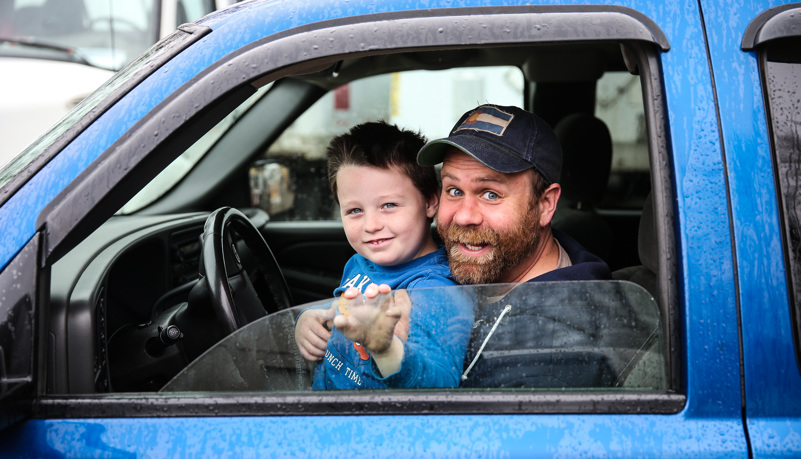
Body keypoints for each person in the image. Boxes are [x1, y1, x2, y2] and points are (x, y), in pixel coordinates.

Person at [414, 103, 614, 387]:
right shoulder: (484, 265)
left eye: (491, 194)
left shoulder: (551, 354)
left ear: (545, 205)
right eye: (454, 190)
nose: (464, 216)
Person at [294, 121, 472, 390]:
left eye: (389, 205)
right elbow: (342, 310)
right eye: (354, 210)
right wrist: (312, 320)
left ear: (430, 201)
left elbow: (439, 385)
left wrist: (385, 349)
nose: (371, 225)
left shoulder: (434, 289)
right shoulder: (361, 263)